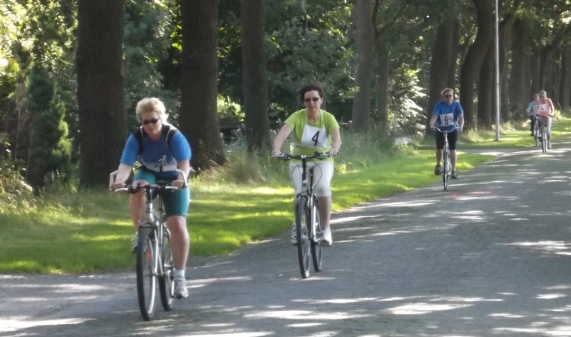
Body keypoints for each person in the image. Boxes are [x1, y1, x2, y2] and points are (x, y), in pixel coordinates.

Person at [111, 97, 192, 299]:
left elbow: (184, 163)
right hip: (150, 172)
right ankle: (141, 233)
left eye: (153, 121)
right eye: (144, 122)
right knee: (138, 188)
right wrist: (120, 180)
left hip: (174, 174)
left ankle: (180, 277)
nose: (149, 126)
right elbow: (125, 165)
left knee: (177, 223)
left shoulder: (173, 135)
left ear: (161, 119)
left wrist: (180, 181)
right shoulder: (137, 137)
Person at [272, 82, 341, 246]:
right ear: (303, 102)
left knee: (322, 188)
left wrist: (334, 148)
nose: (312, 103)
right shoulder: (297, 117)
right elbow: (281, 136)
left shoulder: (328, 118)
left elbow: (337, 137)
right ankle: (298, 225)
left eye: (315, 99)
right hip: (299, 158)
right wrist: (276, 150)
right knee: (299, 192)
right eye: (308, 100)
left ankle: (325, 229)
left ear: (321, 100)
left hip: (322, 159)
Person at [429, 88, 464, 179]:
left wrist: (460, 127)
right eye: (446, 96)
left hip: (453, 128)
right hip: (440, 128)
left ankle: (453, 170)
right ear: (443, 97)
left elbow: (461, 118)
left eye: (450, 96)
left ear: (453, 96)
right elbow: (434, 117)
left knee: (453, 148)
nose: (448, 98)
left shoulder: (456, 105)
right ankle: (438, 164)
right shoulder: (439, 105)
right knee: (439, 147)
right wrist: (432, 125)